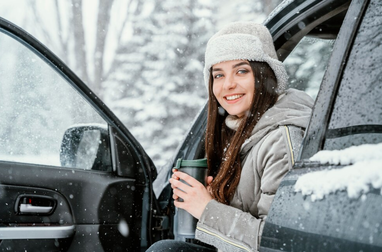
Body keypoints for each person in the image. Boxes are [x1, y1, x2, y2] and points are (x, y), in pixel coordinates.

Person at [147, 21, 313, 252]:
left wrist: (206, 209)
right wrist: (212, 195)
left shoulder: (283, 140)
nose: (228, 85)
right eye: (218, 75)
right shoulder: (237, 132)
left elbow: (281, 243)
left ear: (266, 74)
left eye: (241, 71)